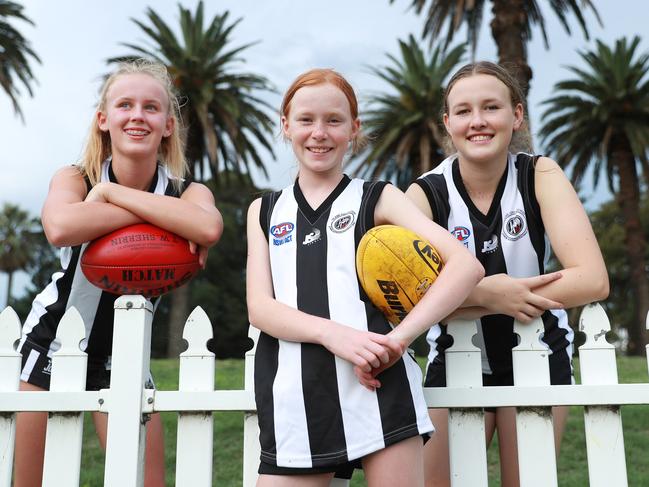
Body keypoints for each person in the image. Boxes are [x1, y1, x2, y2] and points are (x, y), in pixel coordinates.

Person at [245, 67, 484, 487]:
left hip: (380, 386)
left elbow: (465, 265)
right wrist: (333, 334)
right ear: (285, 125)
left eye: (334, 120)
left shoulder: (377, 197)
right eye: (306, 120)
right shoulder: (264, 211)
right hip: (296, 397)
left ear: (354, 129)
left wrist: (399, 339)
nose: (319, 132)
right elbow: (260, 308)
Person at [14, 59, 223, 487]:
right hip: (53, 342)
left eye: (151, 107)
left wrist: (109, 196)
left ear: (168, 124)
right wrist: (156, 217)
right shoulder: (75, 177)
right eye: (125, 105)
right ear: (103, 119)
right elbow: (60, 226)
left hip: (127, 354)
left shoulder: (189, 191)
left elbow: (208, 227)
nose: (137, 116)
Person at [405, 61, 609, 487]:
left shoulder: (540, 174)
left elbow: (591, 278)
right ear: (448, 123)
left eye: (491, 107)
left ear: (516, 115)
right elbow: (405, 296)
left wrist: (497, 294)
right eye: (463, 111)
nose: (477, 121)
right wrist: (486, 294)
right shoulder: (424, 194)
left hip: (537, 351)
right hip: (455, 356)